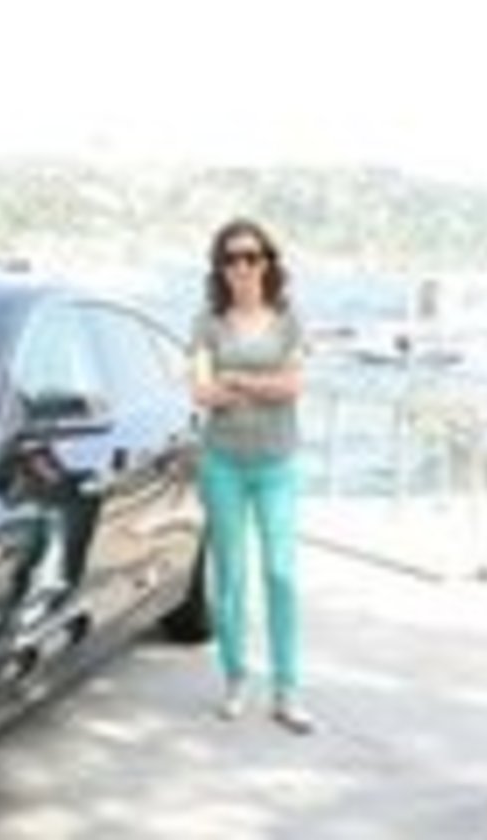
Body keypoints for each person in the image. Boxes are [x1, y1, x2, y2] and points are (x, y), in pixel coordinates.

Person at [188, 218, 313, 734]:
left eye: (251, 257)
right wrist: (263, 383)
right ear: (220, 267)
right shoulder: (208, 322)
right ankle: (236, 677)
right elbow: (202, 393)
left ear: (267, 263)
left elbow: (294, 387)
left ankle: (287, 689)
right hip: (222, 464)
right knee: (231, 577)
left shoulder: (288, 320)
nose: (242, 267)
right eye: (231, 258)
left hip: (277, 464)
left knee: (281, 574)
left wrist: (236, 378)